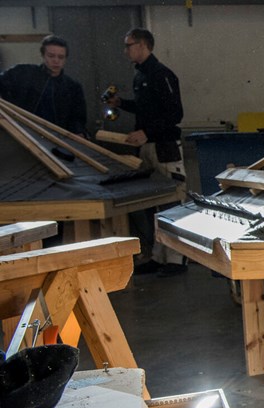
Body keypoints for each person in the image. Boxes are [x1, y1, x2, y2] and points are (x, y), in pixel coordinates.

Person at [104, 28, 187, 277]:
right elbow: (145, 108)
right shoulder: (140, 77)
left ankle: (176, 260)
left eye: (129, 45)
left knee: (172, 201)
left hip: (164, 148)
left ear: (142, 45)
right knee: (154, 204)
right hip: (147, 147)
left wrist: (148, 133)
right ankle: (158, 257)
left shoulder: (163, 75)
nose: (126, 50)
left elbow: (175, 115)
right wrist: (122, 104)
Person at [0, 35, 87, 135]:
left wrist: (79, 132)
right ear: (43, 55)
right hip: (23, 135)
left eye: (61, 57)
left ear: (65, 59)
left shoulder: (73, 87)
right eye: (51, 56)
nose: (56, 61)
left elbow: (78, 119)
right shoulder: (23, 73)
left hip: (58, 140)